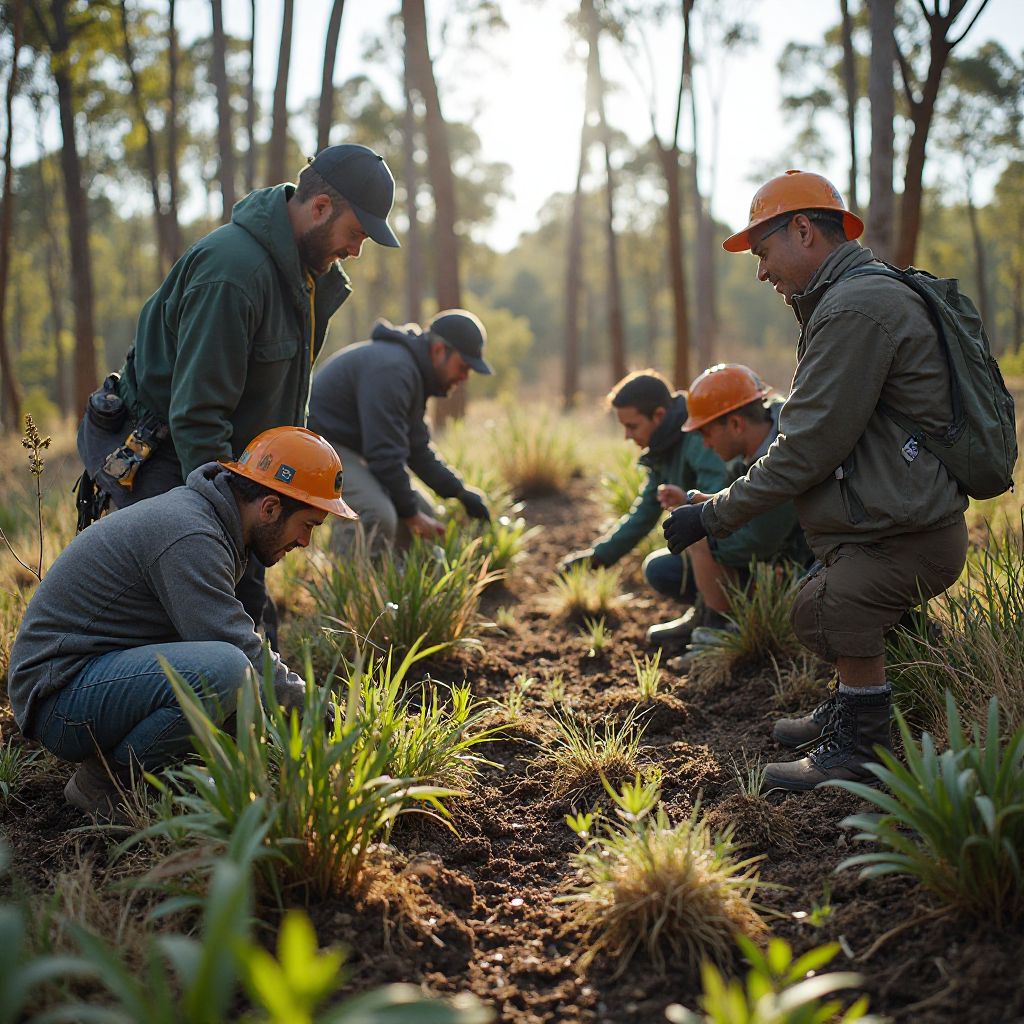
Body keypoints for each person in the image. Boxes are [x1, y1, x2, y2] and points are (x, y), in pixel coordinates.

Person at [663, 169, 968, 791]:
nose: (761, 271)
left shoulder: (856, 307)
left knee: (824, 605)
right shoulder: (851, 298)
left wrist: (711, 515)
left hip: (909, 533)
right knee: (828, 592)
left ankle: (860, 746)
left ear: (803, 230)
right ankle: (853, 705)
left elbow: (806, 448)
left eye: (764, 251)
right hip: (895, 521)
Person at [76, 143, 400, 642]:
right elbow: (198, 417)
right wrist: (226, 527)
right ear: (319, 207)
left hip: (241, 471)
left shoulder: (305, 276)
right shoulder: (233, 273)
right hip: (177, 460)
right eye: (356, 233)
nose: (356, 250)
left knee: (244, 613)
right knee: (193, 618)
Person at [9, 427, 357, 819]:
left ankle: (158, 772)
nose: (306, 543)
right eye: (308, 526)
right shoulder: (192, 535)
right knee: (227, 671)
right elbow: (237, 650)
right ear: (270, 508)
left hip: (92, 677)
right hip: (58, 696)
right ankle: (104, 783)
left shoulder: (213, 523)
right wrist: (316, 711)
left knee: (231, 688)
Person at [558, 370, 731, 644]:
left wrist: (687, 500)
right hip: (709, 545)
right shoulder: (663, 446)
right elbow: (644, 512)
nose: (627, 436)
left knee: (665, 566)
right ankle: (706, 610)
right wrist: (598, 558)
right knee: (659, 569)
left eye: (632, 426)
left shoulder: (697, 436)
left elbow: (721, 501)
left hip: (743, 544)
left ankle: (723, 621)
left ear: (659, 415)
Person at [306, 310, 493, 551]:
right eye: (463, 366)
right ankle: (352, 574)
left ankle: (392, 573)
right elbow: (384, 454)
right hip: (318, 444)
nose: (465, 377)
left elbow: (418, 451)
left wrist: (459, 491)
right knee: (377, 513)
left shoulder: (412, 373)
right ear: (439, 351)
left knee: (424, 510)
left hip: (350, 449)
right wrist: (411, 516)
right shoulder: (394, 370)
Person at [668, 362, 812, 667]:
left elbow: (760, 541)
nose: (705, 443)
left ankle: (720, 633)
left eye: (706, 432)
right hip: (787, 564)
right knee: (663, 568)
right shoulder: (756, 444)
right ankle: (710, 617)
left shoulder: (785, 451)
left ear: (735, 424)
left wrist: (705, 527)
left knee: (700, 540)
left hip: (813, 570)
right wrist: (701, 503)